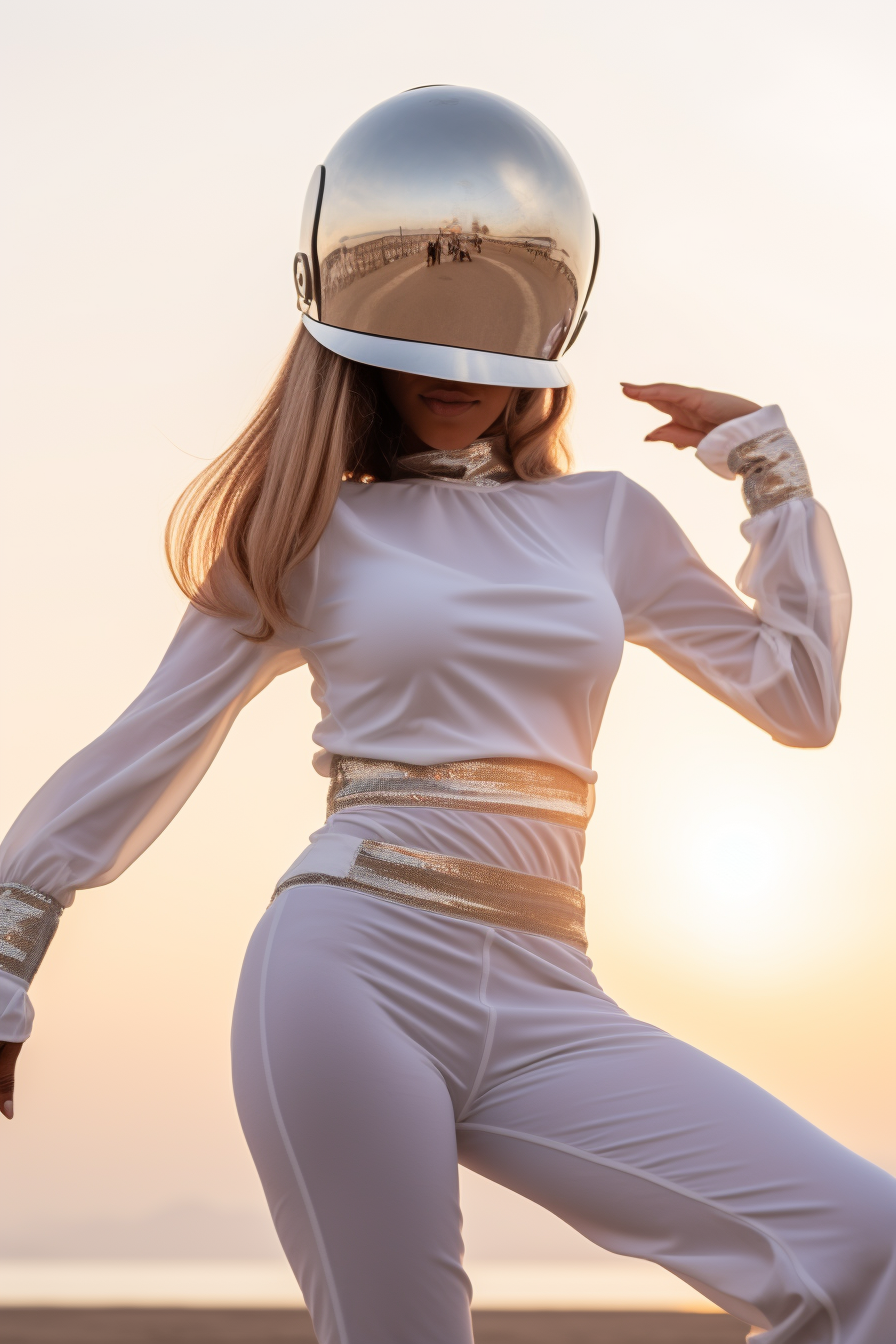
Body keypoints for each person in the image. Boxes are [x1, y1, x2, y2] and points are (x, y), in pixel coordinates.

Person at [1, 85, 893, 1344]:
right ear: (357, 339)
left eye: (487, 333)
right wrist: (5, 955)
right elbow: (146, 746)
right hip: (347, 965)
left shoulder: (605, 524)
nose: (454, 373)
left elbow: (797, 700)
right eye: (420, 337)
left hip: (549, 989)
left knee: (869, 1246)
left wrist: (769, 472)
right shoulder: (312, 526)